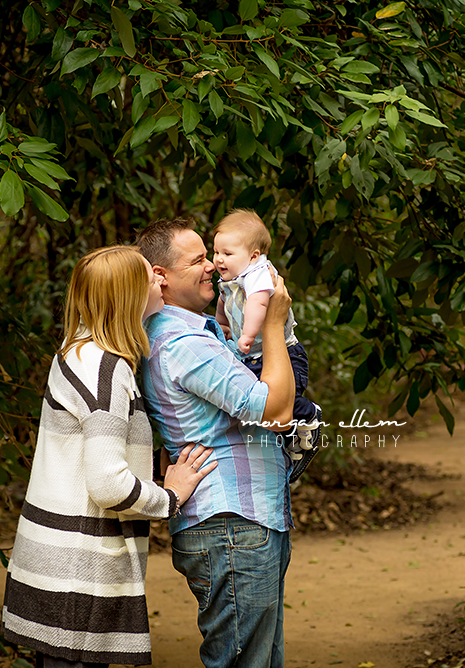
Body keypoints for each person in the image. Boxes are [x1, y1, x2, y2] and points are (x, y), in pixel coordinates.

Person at [1, 245, 217, 668]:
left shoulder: (79, 350)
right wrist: (170, 496)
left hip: (57, 563)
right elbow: (108, 484)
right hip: (76, 573)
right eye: (150, 277)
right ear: (129, 296)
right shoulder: (104, 370)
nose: (160, 280)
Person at [136, 218, 296, 668]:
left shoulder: (200, 331)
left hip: (243, 522)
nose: (212, 266)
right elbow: (275, 411)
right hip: (230, 526)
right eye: (198, 260)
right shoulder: (182, 342)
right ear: (161, 276)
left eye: (210, 256)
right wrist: (273, 324)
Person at [212, 208, 322, 463]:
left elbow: (258, 304)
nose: (218, 259)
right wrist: (222, 323)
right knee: (261, 406)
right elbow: (223, 300)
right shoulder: (231, 278)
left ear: (253, 256)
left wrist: (247, 335)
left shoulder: (258, 274)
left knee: (282, 403)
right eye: (216, 252)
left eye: (227, 253)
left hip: (285, 353)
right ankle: (288, 444)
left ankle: (308, 415)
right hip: (256, 356)